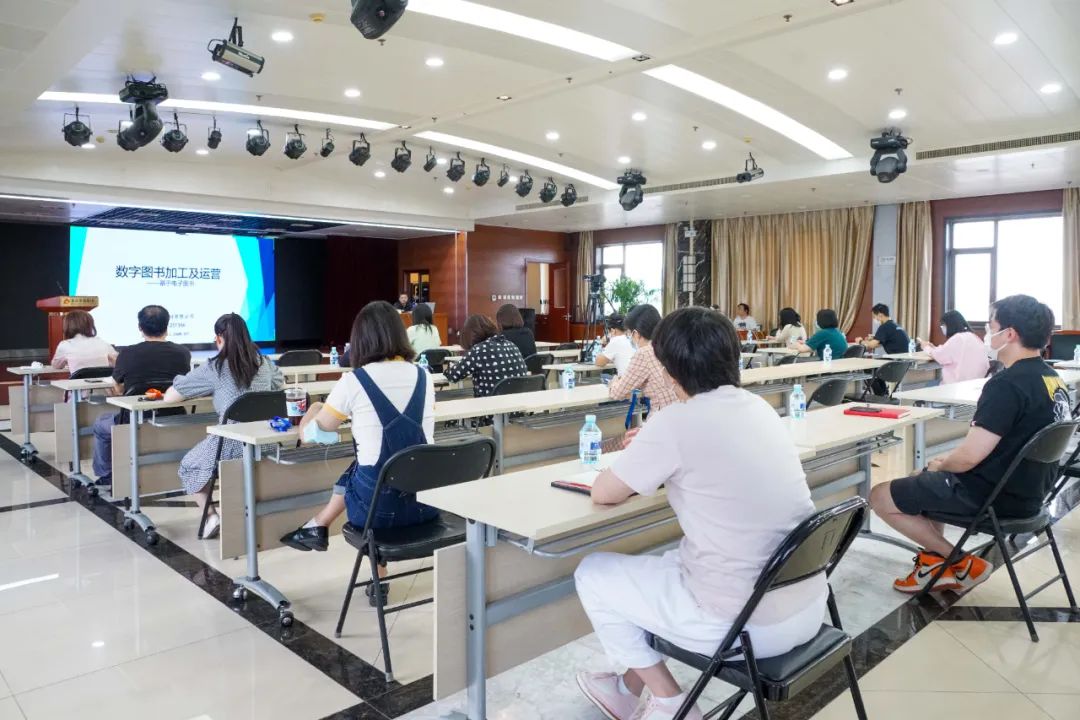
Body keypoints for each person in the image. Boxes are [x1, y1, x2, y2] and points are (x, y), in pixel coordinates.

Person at [574, 308, 827, 720]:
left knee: (593, 573)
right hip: (808, 604)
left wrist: (646, 446)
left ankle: (671, 702)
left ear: (670, 370)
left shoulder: (674, 422)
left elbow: (605, 493)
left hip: (743, 626)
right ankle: (625, 688)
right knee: (664, 569)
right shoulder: (759, 407)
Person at [870, 295, 1072, 594]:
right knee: (923, 479)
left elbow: (968, 458)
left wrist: (941, 463)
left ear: (1010, 334)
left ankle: (962, 562)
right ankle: (935, 567)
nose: (988, 334)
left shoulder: (1006, 385)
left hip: (991, 498)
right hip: (1032, 494)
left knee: (880, 495)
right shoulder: (1053, 379)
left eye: (991, 326)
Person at [279, 301, 437, 602]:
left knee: (367, 471)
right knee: (376, 466)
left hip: (377, 513)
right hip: (426, 504)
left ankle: (323, 529)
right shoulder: (424, 376)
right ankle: (319, 527)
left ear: (360, 340)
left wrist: (313, 408)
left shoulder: (353, 382)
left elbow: (313, 436)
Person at [163, 313, 283, 538]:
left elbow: (171, 397)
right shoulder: (264, 362)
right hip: (267, 442)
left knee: (188, 466)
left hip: (230, 444)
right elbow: (279, 384)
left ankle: (211, 516)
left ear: (219, 338)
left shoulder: (215, 367)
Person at [91, 305, 191, 486]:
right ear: (167, 326)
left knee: (100, 424)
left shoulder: (128, 353)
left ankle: (107, 475)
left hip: (133, 421)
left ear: (140, 327)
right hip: (174, 417)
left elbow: (118, 389)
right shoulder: (183, 353)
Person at [609, 305, 678, 412]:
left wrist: (614, 382)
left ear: (636, 334)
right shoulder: (668, 345)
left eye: (629, 333)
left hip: (662, 416)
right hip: (680, 411)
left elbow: (617, 393)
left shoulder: (644, 353)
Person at [444, 314, 528, 397]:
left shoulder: (478, 350)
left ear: (469, 335)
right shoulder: (512, 345)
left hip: (490, 403)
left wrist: (449, 368)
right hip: (518, 401)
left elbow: (453, 376)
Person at [917, 310, 990, 384]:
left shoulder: (957, 338)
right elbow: (949, 352)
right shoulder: (974, 337)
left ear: (950, 325)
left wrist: (926, 347)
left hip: (956, 385)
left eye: (943, 325)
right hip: (976, 384)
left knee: (928, 384)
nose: (942, 328)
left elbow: (940, 356)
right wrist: (934, 348)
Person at [51, 310, 117, 375]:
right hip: (103, 381)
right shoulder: (102, 343)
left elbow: (56, 366)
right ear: (90, 325)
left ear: (67, 326)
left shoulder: (65, 345)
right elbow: (117, 362)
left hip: (77, 382)